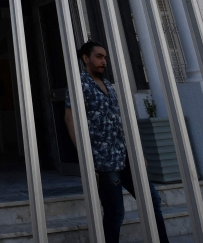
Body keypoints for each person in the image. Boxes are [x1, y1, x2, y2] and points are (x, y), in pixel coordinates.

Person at [65, 40, 170, 243]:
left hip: (124, 155)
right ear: (86, 58)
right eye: (99, 56)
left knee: (152, 200)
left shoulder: (109, 86)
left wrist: (136, 151)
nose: (104, 61)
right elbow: (70, 119)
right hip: (103, 160)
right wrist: (84, 156)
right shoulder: (79, 85)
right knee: (115, 213)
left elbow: (119, 122)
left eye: (105, 57)